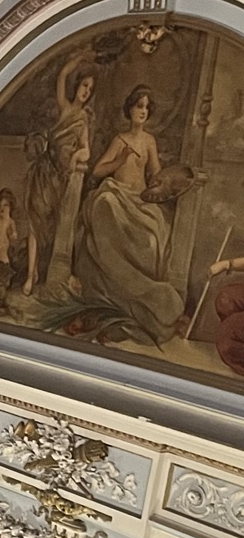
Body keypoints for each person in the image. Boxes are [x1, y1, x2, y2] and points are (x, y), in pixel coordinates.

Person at [72, 85, 181, 344]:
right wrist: (119, 161)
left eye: (146, 107)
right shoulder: (120, 140)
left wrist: (163, 184)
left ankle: (145, 302)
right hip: (117, 195)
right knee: (104, 202)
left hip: (140, 201)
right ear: (130, 109)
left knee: (154, 231)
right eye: (138, 106)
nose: (142, 111)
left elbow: (155, 174)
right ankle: (109, 294)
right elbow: (98, 172)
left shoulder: (149, 141)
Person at [25, 54, 95, 293]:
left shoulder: (84, 118)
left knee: (52, 224)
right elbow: (62, 75)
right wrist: (80, 55)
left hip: (62, 177)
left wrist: (77, 156)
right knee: (35, 220)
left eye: (90, 89)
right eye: (84, 86)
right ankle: (29, 274)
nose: (86, 92)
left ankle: (40, 273)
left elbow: (86, 149)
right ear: (77, 87)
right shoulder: (65, 107)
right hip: (45, 170)